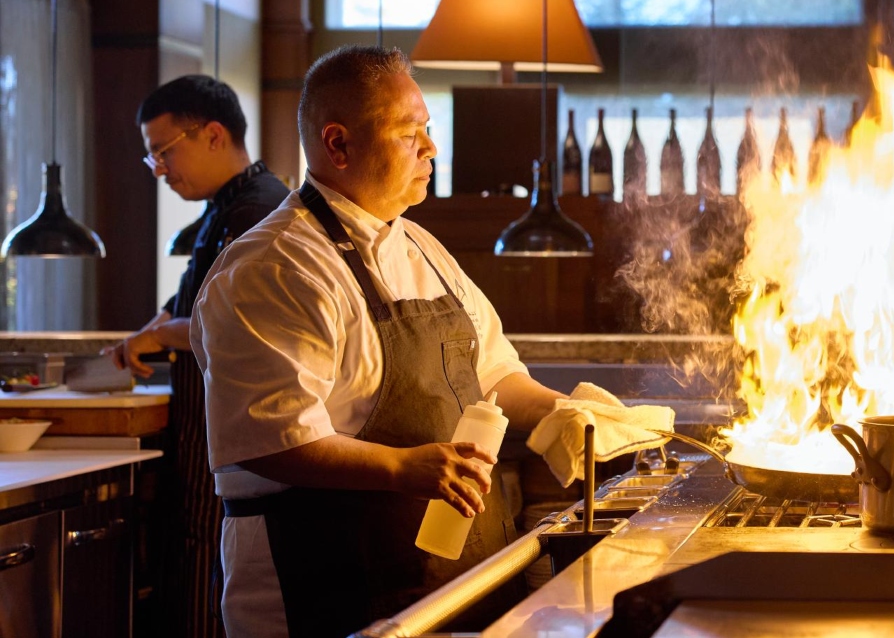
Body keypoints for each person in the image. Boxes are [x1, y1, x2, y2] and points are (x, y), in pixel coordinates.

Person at [191, 46, 647, 638]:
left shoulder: (423, 250)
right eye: (411, 133)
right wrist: (402, 467)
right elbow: (271, 438)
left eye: (428, 130)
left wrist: (566, 415)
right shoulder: (274, 266)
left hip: (449, 583)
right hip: (324, 586)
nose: (431, 147)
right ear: (338, 144)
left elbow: (495, 376)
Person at [104, 75, 289, 638]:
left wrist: (158, 339)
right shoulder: (224, 207)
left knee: (213, 593)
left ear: (212, 135)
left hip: (234, 447)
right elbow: (190, 300)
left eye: (164, 151)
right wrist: (151, 328)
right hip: (207, 445)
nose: (160, 169)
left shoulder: (256, 210)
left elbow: (231, 324)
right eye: (152, 157)